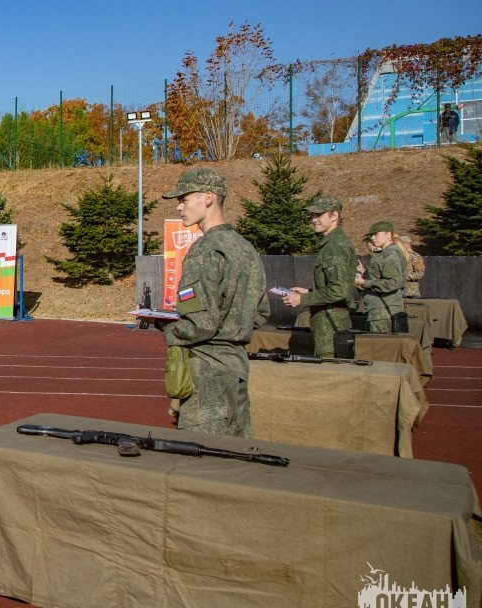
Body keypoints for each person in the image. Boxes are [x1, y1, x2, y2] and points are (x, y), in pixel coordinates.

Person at [160, 168, 268, 437]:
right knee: (236, 459)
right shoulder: (245, 248)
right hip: (237, 366)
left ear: (208, 198)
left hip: (207, 371)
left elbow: (202, 323)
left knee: (202, 462)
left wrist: (165, 327)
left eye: (185, 199)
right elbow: (261, 311)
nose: (179, 206)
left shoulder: (205, 251)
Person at [282, 195, 356, 358]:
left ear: (334, 215)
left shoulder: (335, 246)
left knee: (329, 373)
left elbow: (339, 291)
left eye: (319, 215)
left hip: (330, 323)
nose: (314, 220)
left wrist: (303, 300)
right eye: (312, 216)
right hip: (329, 320)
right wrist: (308, 291)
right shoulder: (333, 243)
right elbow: (336, 285)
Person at [356, 222, 406, 333]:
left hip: (384, 312)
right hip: (379, 310)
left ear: (388, 235)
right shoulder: (386, 254)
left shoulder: (391, 255)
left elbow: (393, 282)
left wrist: (364, 282)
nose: (373, 238)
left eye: (376, 234)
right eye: (372, 235)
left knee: (380, 347)